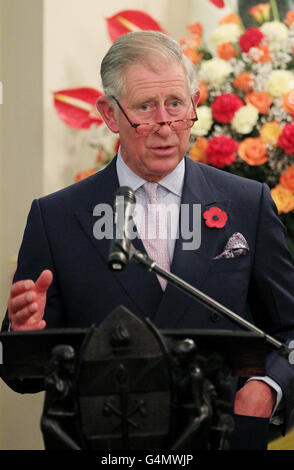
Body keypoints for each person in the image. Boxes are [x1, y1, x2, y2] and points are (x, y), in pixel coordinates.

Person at [2, 31, 294, 450]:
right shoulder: (57, 217)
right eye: (145, 108)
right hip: (108, 442)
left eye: (176, 104)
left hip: (219, 436)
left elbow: (288, 329)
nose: (165, 126)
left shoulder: (247, 203)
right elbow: (22, 374)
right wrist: (25, 335)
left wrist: (268, 387)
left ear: (194, 102)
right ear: (109, 114)